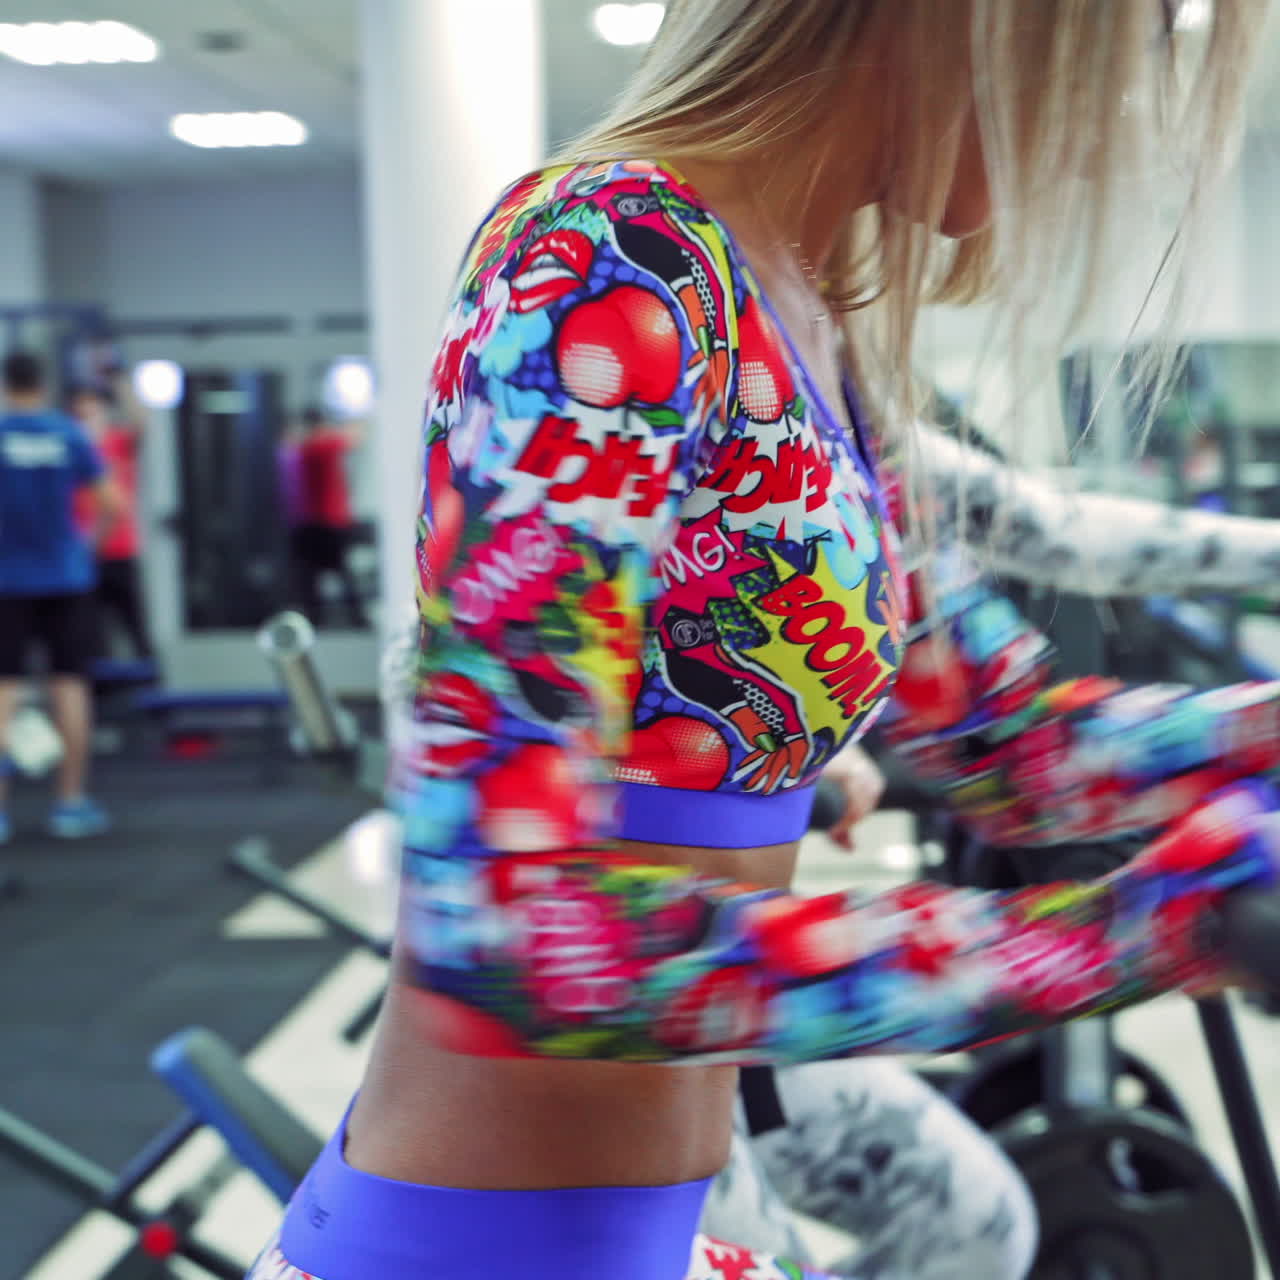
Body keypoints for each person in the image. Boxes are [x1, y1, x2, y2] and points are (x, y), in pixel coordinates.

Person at [250, 5, 1274, 1280]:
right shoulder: (607, 256)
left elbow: (1013, 743)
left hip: (660, 1227)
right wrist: (1131, 931)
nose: (1080, 142)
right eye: (1089, 66)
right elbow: (509, 926)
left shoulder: (814, 322)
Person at [0, 352, 122, 843]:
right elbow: (113, 505)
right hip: (65, 578)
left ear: (7, 386)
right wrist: (85, 550)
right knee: (69, 687)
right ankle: (69, 803)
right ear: (43, 384)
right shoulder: (69, 434)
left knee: (4, 691)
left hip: (6, 581)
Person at [68, 380, 155, 661]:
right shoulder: (70, 449)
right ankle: (101, 697)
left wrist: (121, 382)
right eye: (80, 414)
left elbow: (141, 421)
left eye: (92, 411)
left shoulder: (119, 442)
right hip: (82, 557)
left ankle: (152, 688)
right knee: (90, 633)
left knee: (136, 628)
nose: (87, 418)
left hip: (120, 551)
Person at [292, 406, 368, 628]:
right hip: (327, 523)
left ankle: (313, 618)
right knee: (341, 573)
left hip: (313, 522)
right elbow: (354, 438)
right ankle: (355, 617)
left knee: (313, 576)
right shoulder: (319, 445)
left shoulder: (305, 447)